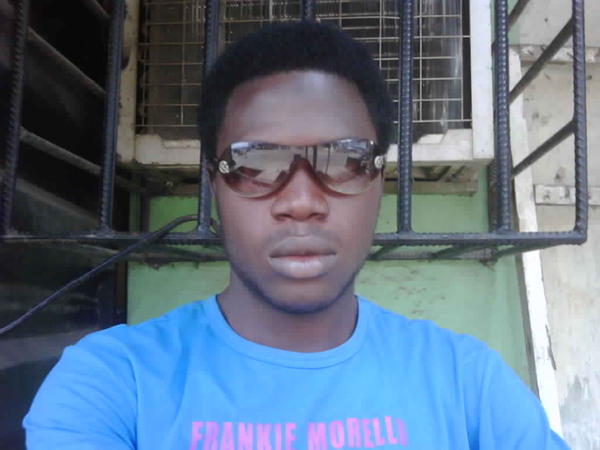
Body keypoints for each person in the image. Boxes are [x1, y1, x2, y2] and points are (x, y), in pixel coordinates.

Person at [23, 21, 569, 449]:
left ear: (378, 183)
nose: (302, 201)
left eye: (344, 159)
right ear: (214, 188)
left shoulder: (468, 384)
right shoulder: (112, 384)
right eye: (254, 162)